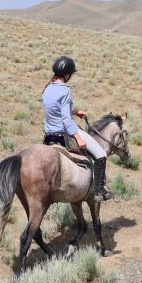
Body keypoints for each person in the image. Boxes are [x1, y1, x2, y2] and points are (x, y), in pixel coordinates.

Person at [42, 55, 111, 202]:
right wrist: (78, 137)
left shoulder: (47, 88)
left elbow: (55, 111)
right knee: (100, 155)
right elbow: (66, 120)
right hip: (64, 133)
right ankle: (98, 191)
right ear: (67, 74)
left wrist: (75, 112)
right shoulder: (65, 90)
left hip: (49, 134)